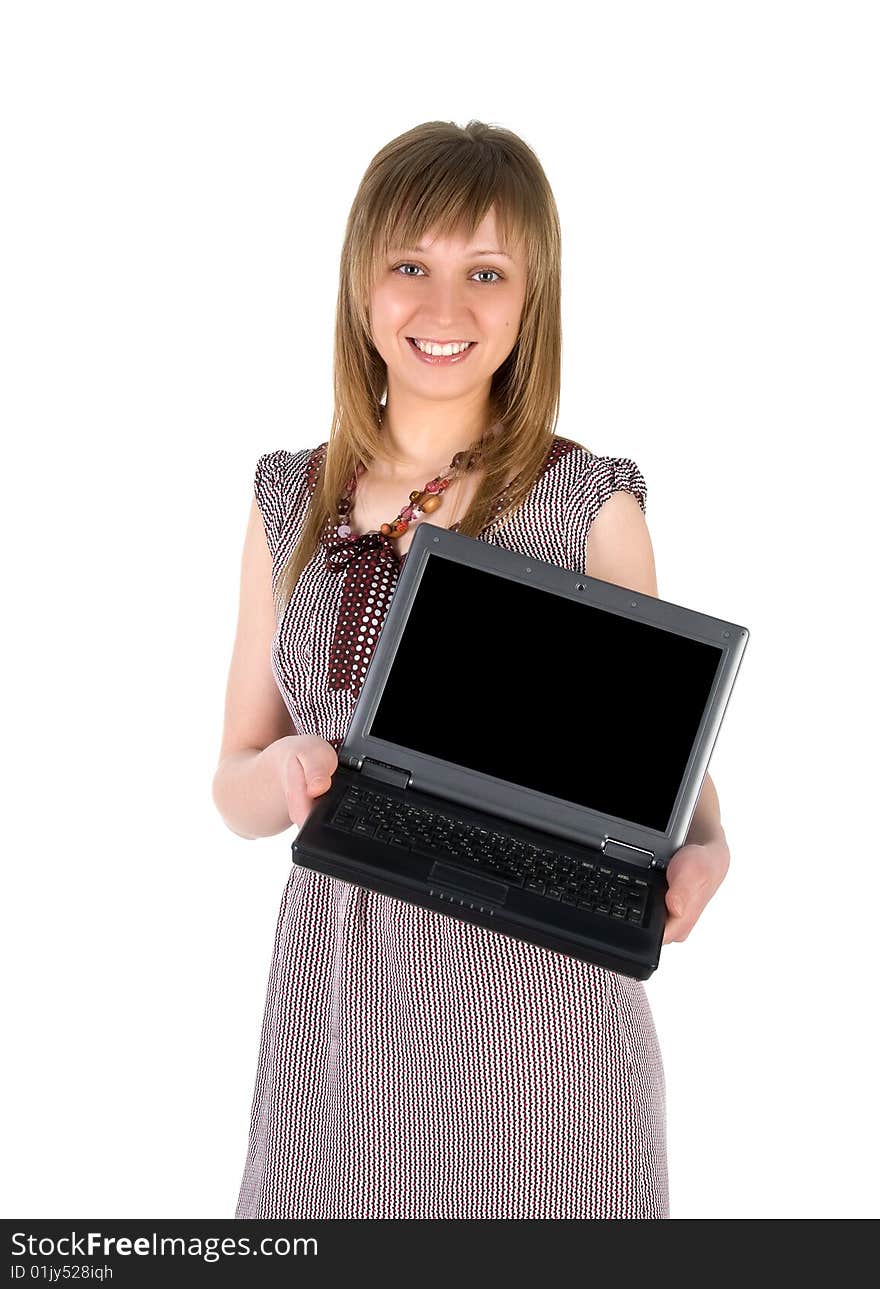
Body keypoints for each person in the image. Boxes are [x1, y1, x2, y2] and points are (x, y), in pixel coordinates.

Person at [212, 119, 731, 1220]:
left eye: (484, 273)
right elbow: (234, 777)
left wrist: (711, 851)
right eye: (411, 266)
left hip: (541, 998)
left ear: (529, 297)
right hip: (341, 988)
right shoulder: (287, 499)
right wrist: (288, 769)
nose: (443, 311)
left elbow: (666, 768)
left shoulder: (592, 502)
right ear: (361, 285)